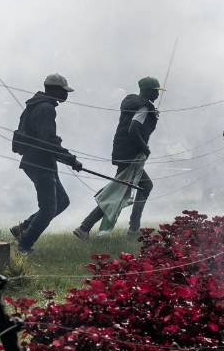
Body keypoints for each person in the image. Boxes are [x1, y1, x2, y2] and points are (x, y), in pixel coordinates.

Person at [74, 76, 162, 239]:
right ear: (148, 91)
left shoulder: (136, 104)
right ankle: (133, 230)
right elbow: (134, 128)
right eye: (156, 91)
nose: (157, 95)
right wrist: (144, 147)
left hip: (123, 153)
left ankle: (85, 227)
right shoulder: (143, 107)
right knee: (134, 188)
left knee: (119, 191)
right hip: (130, 156)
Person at [10, 73, 83, 255]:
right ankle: (24, 244)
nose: (66, 95)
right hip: (40, 163)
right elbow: (48, 141)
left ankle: (22, 228)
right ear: (54, 90)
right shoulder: (46, 109)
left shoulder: (35, 105)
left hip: (39, 162)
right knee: (49, 208)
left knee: (62, 201)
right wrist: (71, 160)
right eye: (64, 91)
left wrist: (64, 157)